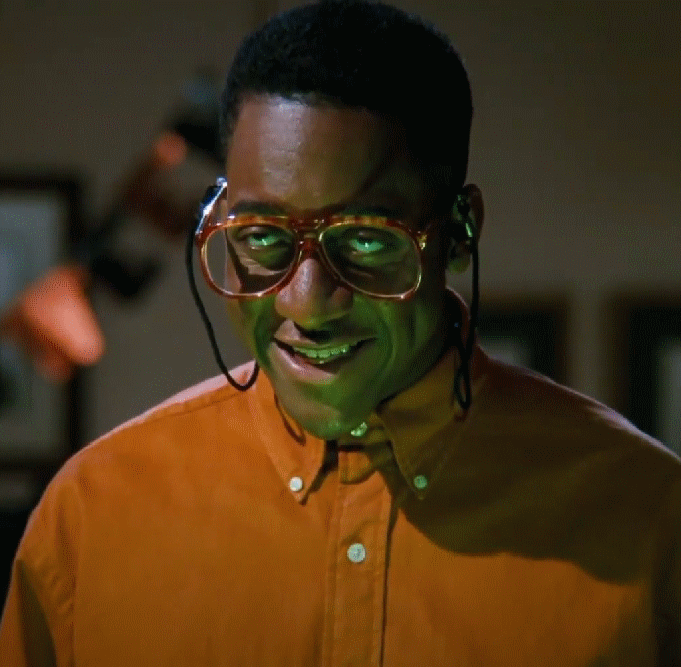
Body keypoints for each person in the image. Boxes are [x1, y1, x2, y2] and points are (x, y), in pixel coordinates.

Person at [1, 1, 680, 664]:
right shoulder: (92, 515)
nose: (306, 302)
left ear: (460, 231)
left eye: (365, 239)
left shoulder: (650, 518)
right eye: (261, 237)